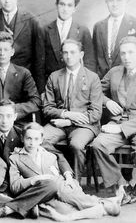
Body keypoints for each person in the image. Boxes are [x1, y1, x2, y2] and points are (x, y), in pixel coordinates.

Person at [0, 122, 122, 220]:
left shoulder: (50, 155)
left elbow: (61, 176)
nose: (32, 143)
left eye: (36, 139)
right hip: (38, 191)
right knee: (52, 186)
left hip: (58, 191)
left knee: (66, 209)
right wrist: (34, 180)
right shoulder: (15, 158)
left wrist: (69, 178)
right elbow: (15, 186)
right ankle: (105, 203)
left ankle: (102, 204)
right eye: (28, 139)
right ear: (22, 138)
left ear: (41, 139)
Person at [91, 36, 136, 204]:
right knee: (98, 144)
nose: (126, 57)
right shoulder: (115, 72)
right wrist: (107, 101)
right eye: (123, 53)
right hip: (119, 122)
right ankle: (120, 185)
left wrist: (121, 128)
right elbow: (96, 92)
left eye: (131, 52)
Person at [43, 39, 102, 177]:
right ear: (61, 55)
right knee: (39, 139)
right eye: (65, 53)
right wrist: (66, 114)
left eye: (73, 52)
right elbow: (46, 107)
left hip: (85, 125)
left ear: (81, 54)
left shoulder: (92, 78)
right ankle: (61, 171)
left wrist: (70, 121)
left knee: (76, 145)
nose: (69, 56)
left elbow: (96, 113)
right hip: (59, 124)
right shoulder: (55, 76)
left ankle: (76, 184)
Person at [90, 0, 136, 79]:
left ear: (126, 1)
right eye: (111, 0)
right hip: (101, 80)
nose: (114, 4)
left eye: (119, 0)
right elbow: (93, 57)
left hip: (127, 80)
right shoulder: (98, 27)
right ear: (106, 2)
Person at [41, 0, 95, 80]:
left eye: (69, 5)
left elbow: (90, 62)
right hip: (51, 84)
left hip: (75, 83)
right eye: (62, 4)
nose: (65, 9)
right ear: (56, 5)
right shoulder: (45, 30)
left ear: (74, 9)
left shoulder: (83, 30)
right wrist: (42, 90)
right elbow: (39, 64)